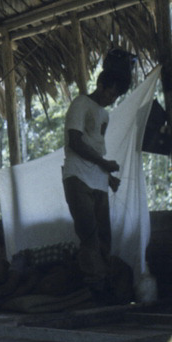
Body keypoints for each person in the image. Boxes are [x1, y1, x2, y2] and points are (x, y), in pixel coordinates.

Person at [62, 69, 127, 303]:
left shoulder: (105, 115)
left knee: (104, 236)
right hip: (78, 178)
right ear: (100, 85)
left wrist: (108, 178)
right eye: (110, 93)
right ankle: (95, 288)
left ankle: (106, 284)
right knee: (88, 234)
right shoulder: (81, 104)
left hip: (98, 181)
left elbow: (96, 148)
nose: (111, 99)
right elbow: (75, 143)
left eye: (115, 96)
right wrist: (105, 164)